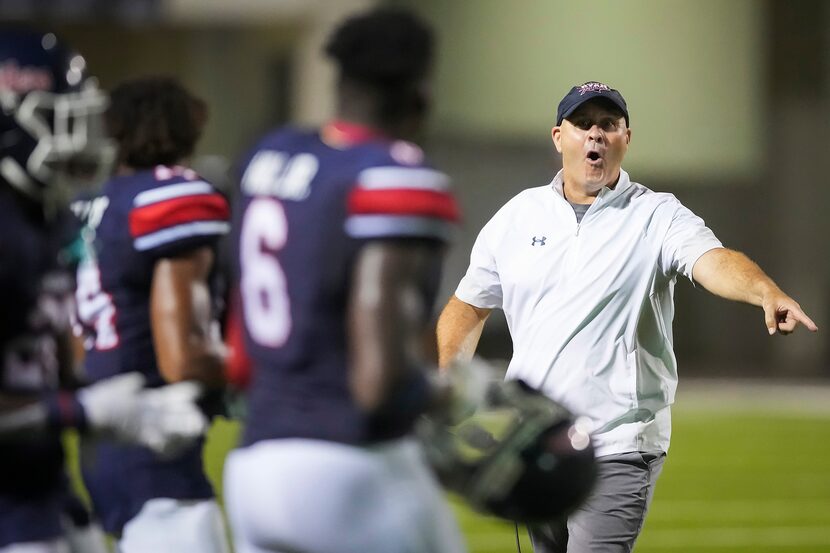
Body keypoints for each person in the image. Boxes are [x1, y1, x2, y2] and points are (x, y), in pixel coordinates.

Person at [436, 80, 818, 553]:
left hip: (617, 444)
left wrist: (763, 289)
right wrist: (444, 380)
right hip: (533, 440)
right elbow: (468, 305)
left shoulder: (656, 215)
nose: (595, 135)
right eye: (583, 124)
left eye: (608, 125)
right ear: (559, 137)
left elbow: (712, 259)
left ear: (625, 138)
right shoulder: (518, 216)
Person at [222, 8, 468, 553]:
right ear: (420, 93)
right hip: (349, 463)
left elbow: (237, 347)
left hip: (253, 463)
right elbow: (377, 380)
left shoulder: (268, 156)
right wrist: (447, 390)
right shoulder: (395, 176)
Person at [0, 30, 206, 553]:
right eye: (53, 113)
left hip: (37, 504)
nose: (76, 131)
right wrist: (84, 413)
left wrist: (68, 503)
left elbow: (36, 368)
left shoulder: (45, 220)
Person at [72, 76, 230, 553]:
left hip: (102, 433)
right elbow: (180, 357)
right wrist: (250, 367)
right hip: (157, 430)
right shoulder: (173, 197)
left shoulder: (91, 205)